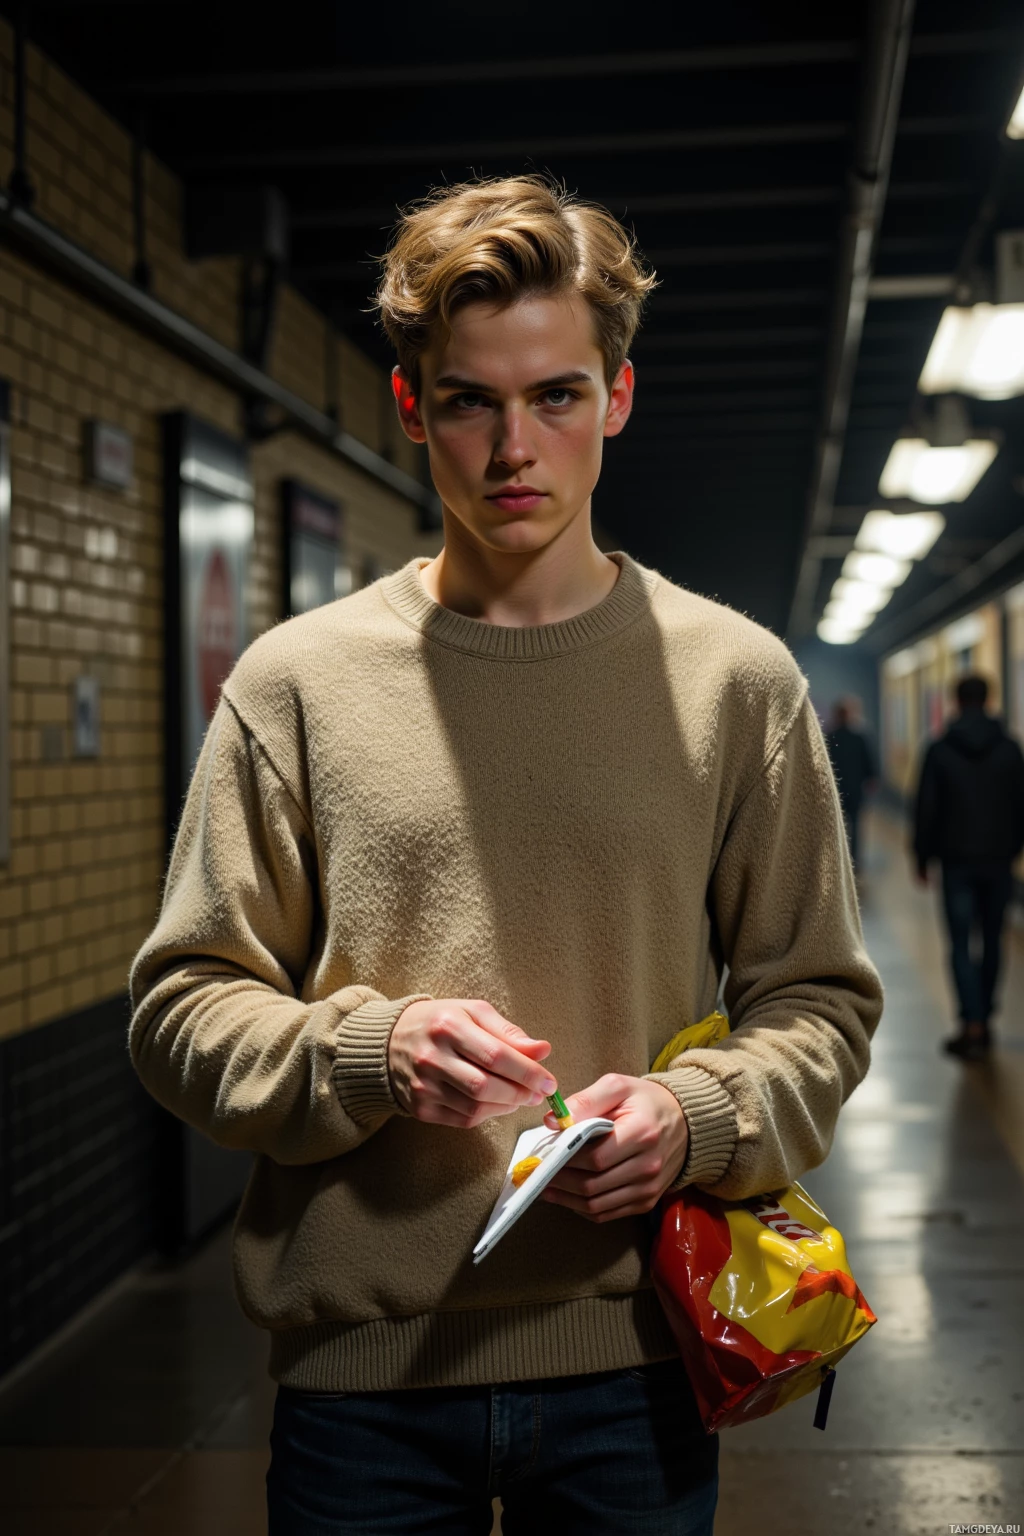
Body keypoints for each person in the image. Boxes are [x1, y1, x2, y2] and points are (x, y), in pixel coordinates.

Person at [128, 176, 883, 1536]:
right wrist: (372, 1051)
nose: (513, 448)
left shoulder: (735, 682)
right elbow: (182, 1008)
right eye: (470, 402)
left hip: (638, 1364)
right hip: (362, 1386)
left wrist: (696, 1118)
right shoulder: (296, 683)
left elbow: (819, 1003)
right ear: (412, 408)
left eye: (557, 397)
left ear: (619, 398)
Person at [913, 673, 1024, 1062]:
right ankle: (985, 1018)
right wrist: (1014, 849)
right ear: (988, 700)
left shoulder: (939, 749)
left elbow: (926, 808)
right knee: (993, 939)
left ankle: (971, 1023)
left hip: (956, 862)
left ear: (956, 701)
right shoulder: (1010, 749)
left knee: (960, 943)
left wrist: (922, 857)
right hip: (998, 861)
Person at [825, 698, 878, 874]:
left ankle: (836, 860)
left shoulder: (829, 737)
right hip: (855, 790)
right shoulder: (859, 737)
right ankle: (853, 862)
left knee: (835, 827)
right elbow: (868, 763)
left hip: (835, 791)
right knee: (855, 826)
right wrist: (871, 779)